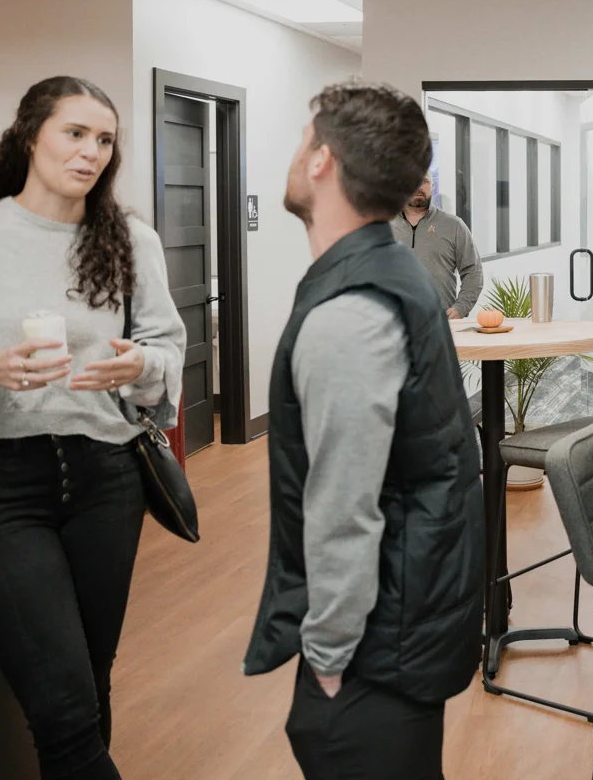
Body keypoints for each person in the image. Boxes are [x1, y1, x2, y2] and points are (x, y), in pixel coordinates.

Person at [0, 76, 186, 780]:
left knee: (87, 683)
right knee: (64, 709)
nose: (92, 152)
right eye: (75, 133)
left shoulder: (129, 239)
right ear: (29, 134)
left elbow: (168, 350)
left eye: (104, 139)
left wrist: (138, 366)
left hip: (107, 477)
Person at [243, 82, 484, 780]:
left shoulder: (350, 312)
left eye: (299, 140)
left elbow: (345, 508)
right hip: (410, 627)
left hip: (375, 653)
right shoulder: (394, 271)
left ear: (321, 160)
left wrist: (326, 656)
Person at [391, 173, 484, 319]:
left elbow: (473, 271)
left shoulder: (454, 226)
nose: (418, 187)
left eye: (424, 181)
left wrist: (460, 308)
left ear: (432, 186)